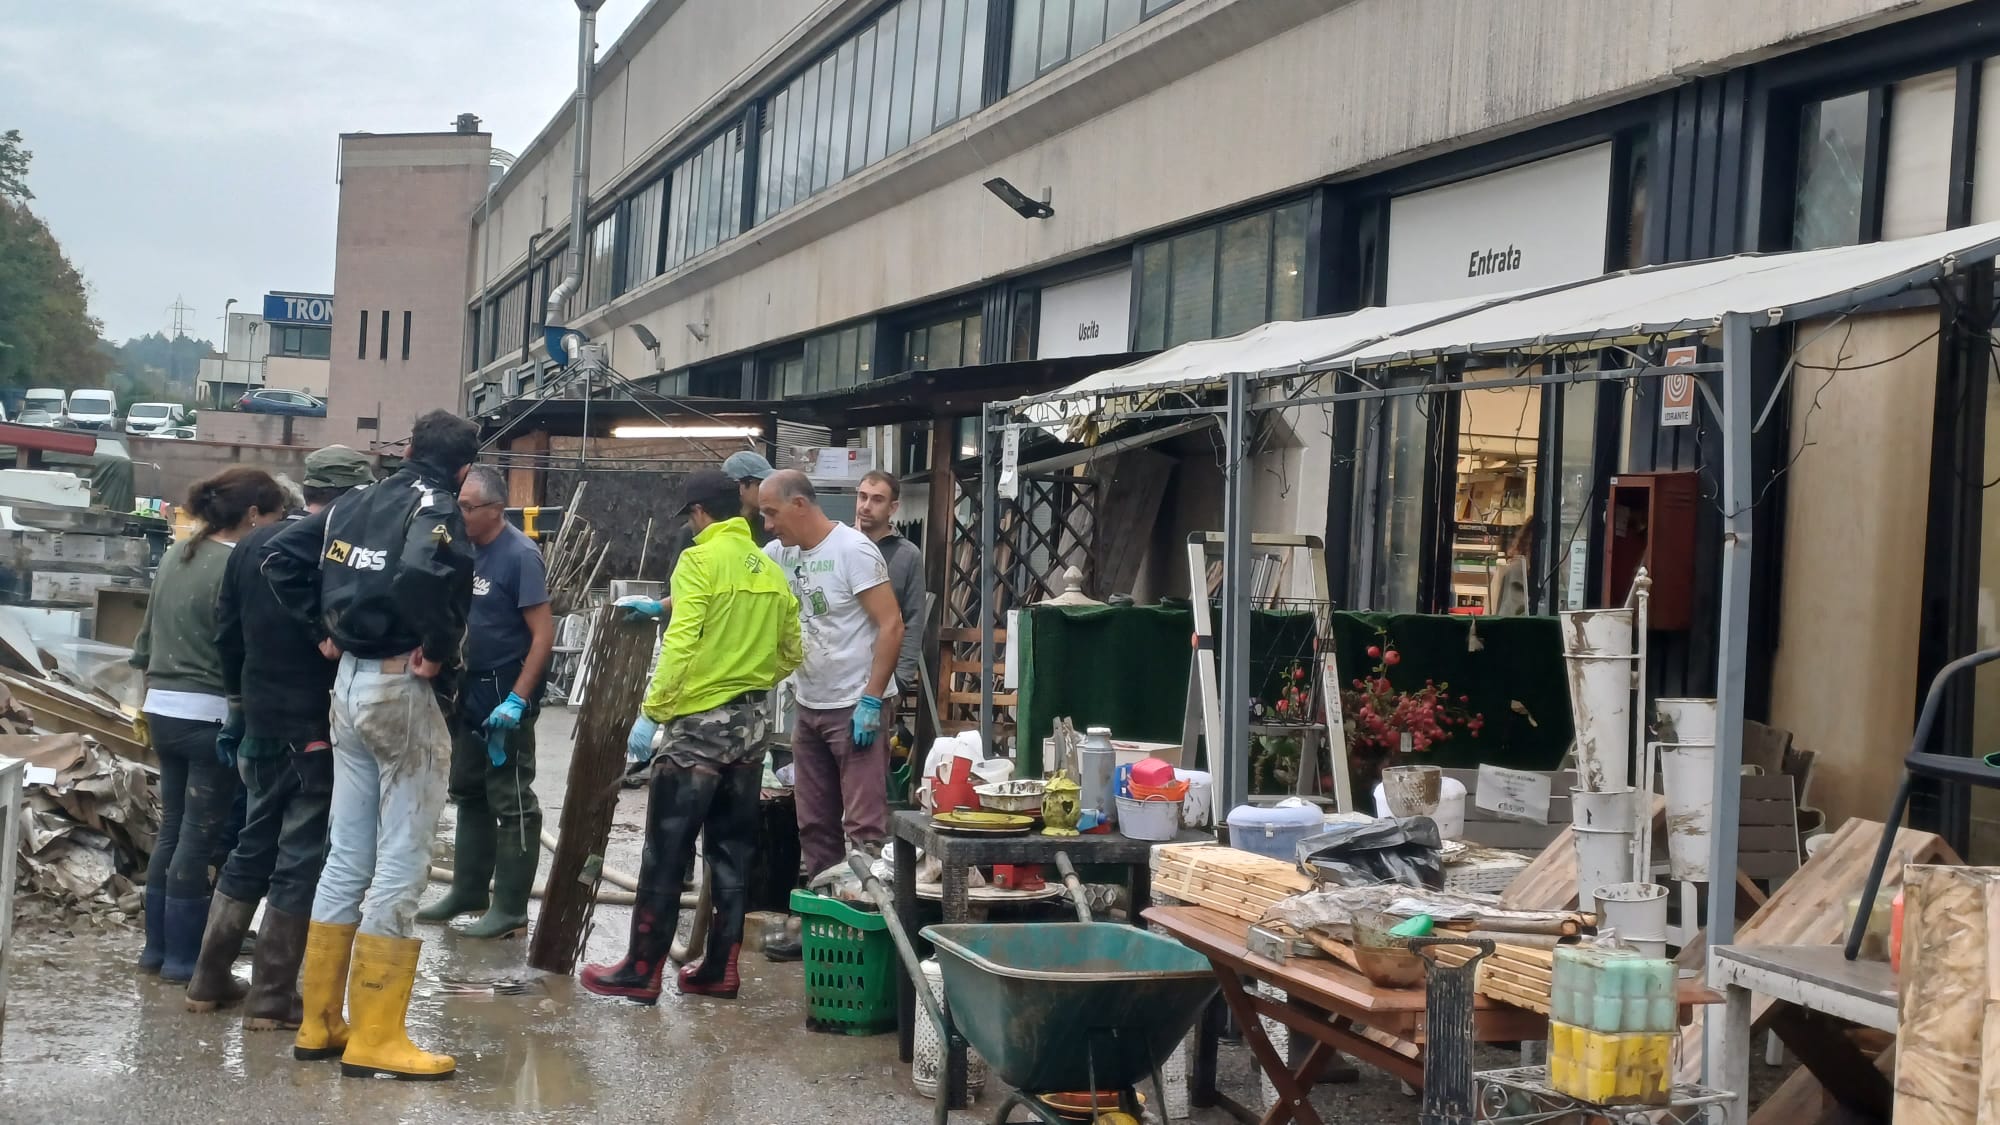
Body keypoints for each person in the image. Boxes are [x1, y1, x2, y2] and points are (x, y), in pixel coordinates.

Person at [262, 410, 479, 1081]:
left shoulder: (354, 500)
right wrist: (438, 648)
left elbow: (279, 557)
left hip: (349, 684)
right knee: (402, 859)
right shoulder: (437, 506)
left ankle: (320, 1021)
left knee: (346, 853)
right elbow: (421, 571)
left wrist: (323, 629)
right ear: (464, 470)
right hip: (400, 687)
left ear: (407, 448)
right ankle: (377, 1034)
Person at [581, 470, 800, 1004]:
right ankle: (719, 970)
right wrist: (747, 678)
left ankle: (640, 970)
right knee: (731, 852)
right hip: (750, 728)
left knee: (666, 849)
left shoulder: (699, 562)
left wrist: (652, 713)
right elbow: (792, 651)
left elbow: (681, 643)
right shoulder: (769, 569)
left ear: (700, 513)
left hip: (698, 728)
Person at [185, 447, 375, 1025]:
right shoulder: (338, 551)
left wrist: (237, 708)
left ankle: (208, 978)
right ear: (355, 495)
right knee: (300, 856)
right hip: (312, 722)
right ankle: (271, 995)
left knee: (253, 842)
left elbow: (226, 634)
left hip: (259, 719)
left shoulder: (249, 546)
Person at [132, 468, 288, 983]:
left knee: (172, 828)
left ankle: (156, 952)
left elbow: (144, 639)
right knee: (200, 836)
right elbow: (251, 645)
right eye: (275, 517)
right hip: (210, 715)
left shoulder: (177, 553)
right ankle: (185, 961)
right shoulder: (241, 563)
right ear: (253, 516)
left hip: (161, 707)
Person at [417, 465, 553, 940]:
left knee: (511, 797)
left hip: (504, 687)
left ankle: (511, 909)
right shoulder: (463, 548)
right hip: (468, 684)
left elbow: (542, 635)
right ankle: (468, 890)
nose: (460, 515)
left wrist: (517, 699)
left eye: (468, 508)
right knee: (468, 789)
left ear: (495, 509)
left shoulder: (520, 555)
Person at [757, 469, 904, 880]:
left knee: (863, 826)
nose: (767, 524)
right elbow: (729, 578)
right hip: (809, 704)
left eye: (772, 513)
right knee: (814, 823)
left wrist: (872, 698)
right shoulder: (779, 554)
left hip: (855, 704)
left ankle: (867, 906)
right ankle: (824, 904)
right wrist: (663, 605)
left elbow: (892, 625)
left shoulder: (852, 551)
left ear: (799, 505)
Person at [852, 469, 926, 697]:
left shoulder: (908, 555)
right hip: (836, 677)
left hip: (882, 679)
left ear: (893, 508)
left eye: (877, 499)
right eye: (862, 496)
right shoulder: (838, 545)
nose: (866, 506)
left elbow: (914, 620)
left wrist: (901, 678)